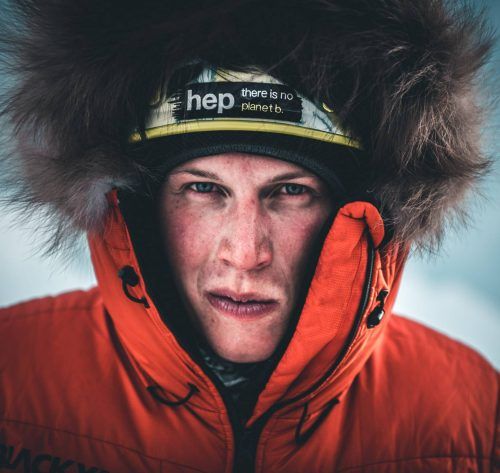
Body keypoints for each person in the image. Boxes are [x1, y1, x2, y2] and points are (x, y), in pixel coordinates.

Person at [0, 1, 498, 472]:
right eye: (203, 188)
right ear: (139, 206)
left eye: (290, 191)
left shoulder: (471, 417)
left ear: (354, 209)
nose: (244, 254)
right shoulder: (13, 376)